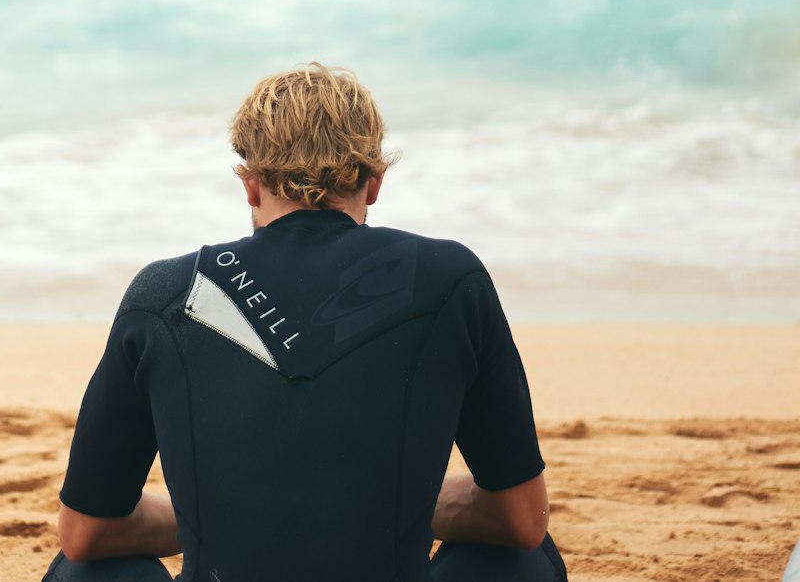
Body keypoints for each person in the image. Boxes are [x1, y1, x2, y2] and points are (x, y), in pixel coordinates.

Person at [43, 65, 567, 581]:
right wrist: (379, 509)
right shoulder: (451, 278)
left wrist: (233, 517)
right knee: (519, 559)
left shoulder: (165, 293)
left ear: (250, 185)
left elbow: (87, 533)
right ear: (375, 181)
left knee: (84, 569)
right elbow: (521, 520)